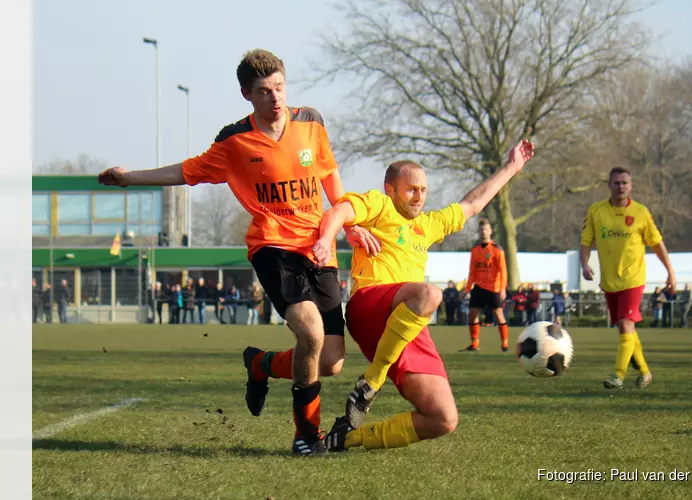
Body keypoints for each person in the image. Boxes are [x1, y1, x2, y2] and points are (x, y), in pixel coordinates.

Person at [97, 49, 378, 456]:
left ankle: (261, 365)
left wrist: (349, 224)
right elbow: (184, 171)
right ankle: (306, 435)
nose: (276, 97)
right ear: (247, 93)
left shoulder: (311, 122)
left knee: (331, 360)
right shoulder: (233, 141)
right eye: (265, 91)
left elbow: (329, 174)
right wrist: (129, 178)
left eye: (280, 87)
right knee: (311, 334)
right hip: (274, 248)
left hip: (319, 249)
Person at [312, 139, 534, 451]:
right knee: (430, 294)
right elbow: (339, 211)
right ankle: (371, 381)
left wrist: (512, 167)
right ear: (391, 189)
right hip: (371, 307)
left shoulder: (428, 225)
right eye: (411, 189)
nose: (419, 197)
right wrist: (326, 238)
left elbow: (472, 205)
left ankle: (346, 437)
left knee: (443, 418)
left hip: (407, 324)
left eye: (423, 190)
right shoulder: (379, 205)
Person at [580, 166, 676, 389]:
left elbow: (657, 244)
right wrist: (584, 264)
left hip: (633, 279)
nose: (621, 187)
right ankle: (644, 371)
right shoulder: (597, 211)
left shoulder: (641, 213)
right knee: (626, 330)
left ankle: (618, 375)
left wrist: (670, 271)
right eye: (616, 183)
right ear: (609, 185)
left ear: (631, 186)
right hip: (610, 280)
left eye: (624, 183)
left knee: (625, 324)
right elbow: (586, 242)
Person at [461, 220, 509, 351]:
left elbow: (503, 270)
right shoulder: (475, 250)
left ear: (490, 231)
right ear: (479, 231)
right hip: (479, 287)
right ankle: (475, 344)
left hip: (494, 287)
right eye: (482, 229)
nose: (484, 232)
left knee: (498, 313)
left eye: (486, 229)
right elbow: (472, 271)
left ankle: (504, 344)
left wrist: (503, 288)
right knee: (472, 313)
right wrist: (467, 288)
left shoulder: (497, 249)